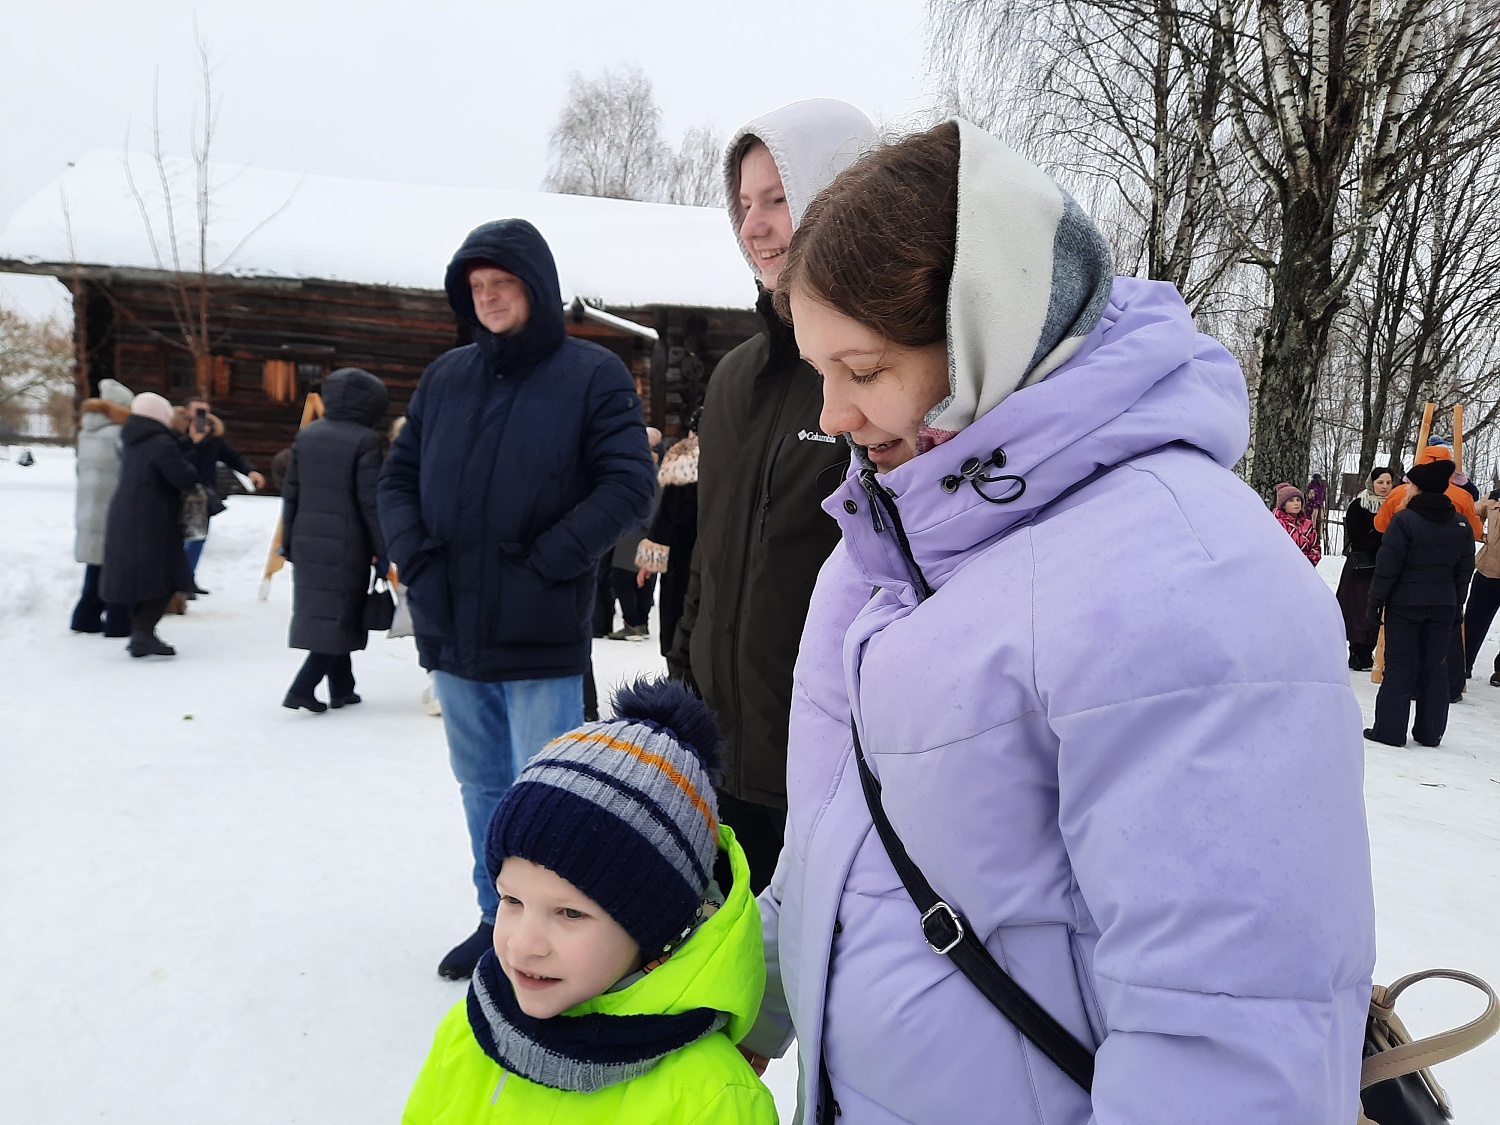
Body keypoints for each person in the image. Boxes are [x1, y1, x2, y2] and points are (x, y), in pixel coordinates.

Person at [737, 121, 1374, 1123]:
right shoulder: (876, 554)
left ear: (990, 334)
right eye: (821, 372)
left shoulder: (1192, 579)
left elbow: (1230, 1042)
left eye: (862, 371)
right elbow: (831, 864)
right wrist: (690, 1009)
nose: (837, 415)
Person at [378, 219, 655, 981]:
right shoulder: (445, 378)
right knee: (483, 788)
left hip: (539, 632)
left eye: (503, 284)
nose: (490, 298)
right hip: (454, 629)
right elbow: (396, 478)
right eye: (477, 288)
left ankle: (567, 937)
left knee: (549, 793)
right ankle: (492, 917)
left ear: (537, 286)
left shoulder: (592, 374)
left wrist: (548, 563)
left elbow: (629, 483)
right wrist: (418, 560)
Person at [668, 98, 877, 895]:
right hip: (719, 756)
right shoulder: (730, 382)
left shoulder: (879, 374)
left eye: (778, 198)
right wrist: (682, 667)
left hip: (834, 765)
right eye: (743, 204)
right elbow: (708, 556)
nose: (754, 225)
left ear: (837, 194)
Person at [402, 679, 775, 1125]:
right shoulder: (472, 1028)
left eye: (570, 912)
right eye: (511, 900)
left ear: (655, 929)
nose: (523, 945)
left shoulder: (712, 1099)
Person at [279, 368, 389, 713]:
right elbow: (370, 502)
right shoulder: (364, 440)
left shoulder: (308, 436)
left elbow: (290, 494)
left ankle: (343, 688)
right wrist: (384, 550)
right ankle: (301, 688)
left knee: (335, 613)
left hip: (307, 541)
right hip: (347, 543)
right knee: (339, 614)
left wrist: (289, 540)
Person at [1365, 454, 1475, 747]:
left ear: (1421, 487)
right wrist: (1456, 603)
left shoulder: (1405, 520)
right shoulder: (1460, 524)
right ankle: (1430, 732)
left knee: (1399, 665)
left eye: (1410, 483)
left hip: (1405, 604)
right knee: (1435, 665)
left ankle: (1389, 731)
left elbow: (1387, 567)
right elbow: (1464, 570)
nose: (1407, 488)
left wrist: (1375, 602)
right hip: (1443, 605)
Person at [100, 392, 201, 658]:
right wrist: (196, 448)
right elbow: (184, 476)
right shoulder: (160, 443)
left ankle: (140, 633)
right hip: (153, 519)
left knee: (139, 579)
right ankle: (143, 633)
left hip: (126, 516)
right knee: (165, 576)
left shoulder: (132, 440)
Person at [176, 394, 267, 593]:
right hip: (177, 492)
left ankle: (188, 580)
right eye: (198, 411)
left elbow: (232, 457)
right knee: (177, 539)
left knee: (198, 538)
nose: (203, 415)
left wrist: (250, 470)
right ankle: (177, 582)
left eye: (206, 411)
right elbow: (176, 461)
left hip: (202, 494)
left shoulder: (213, 437)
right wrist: (192, 442)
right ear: (185, 413)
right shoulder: (174, 434)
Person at [70, 379, 135, 637]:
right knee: (117, 568)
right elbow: (127, 472)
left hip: (88, 507)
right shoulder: (119, 434)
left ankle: (84, 618)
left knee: (96, 566)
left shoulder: (85, 432)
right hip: (111, 506)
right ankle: (119, 622)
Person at [636, 418, 700, 658]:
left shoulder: (684, 457)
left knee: (678, 612)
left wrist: (648, 562)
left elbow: (667, 513)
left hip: (682, 551)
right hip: (720, 549)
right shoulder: (736, 454)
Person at [603, 426, 662, 642]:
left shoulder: (644, 470)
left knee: (621, 576)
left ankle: (633, 622)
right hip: (651, 529)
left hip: (638, 529)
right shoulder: (656, 469)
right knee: (645, 577)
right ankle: (640, 622)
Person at [1336, 466, 1394, 670]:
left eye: (1388, 483)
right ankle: (1356, 651)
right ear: (1372, 483)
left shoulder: (1397, 506)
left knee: (1378, 609)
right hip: (1362, 565)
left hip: (1386, 564)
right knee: (1358, 609)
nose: (1384, 487)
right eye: (1380, 482)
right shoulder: (1359, 505)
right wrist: (1383, 536)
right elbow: (1358, 539)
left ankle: (1370, 651)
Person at [1462, 484, 1500, 687]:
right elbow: (1469, 512)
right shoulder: (1494, 500)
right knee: (1474, 622)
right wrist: (1480, 535)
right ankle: (1462, 665)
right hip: (1488, 571)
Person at [1272, 482, 1321, 564]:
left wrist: (1310, 562)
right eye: (1291, 500)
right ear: (1283, 505)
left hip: (1304, 569)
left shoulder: (1307, 524)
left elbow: (1315, 547)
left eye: (1298, 500)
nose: (1296, 503)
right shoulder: (1277, 523)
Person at [1304, 471, 1327, 547]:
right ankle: (1312, 534)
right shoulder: (1311, 486)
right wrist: (1313, 502)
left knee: (1321, 521)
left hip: (1320, 506)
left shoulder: (1322, 486)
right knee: (1312, 521)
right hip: (1313, 506)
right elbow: (1310, 497)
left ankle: (1319, 535)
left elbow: (1323, 496)